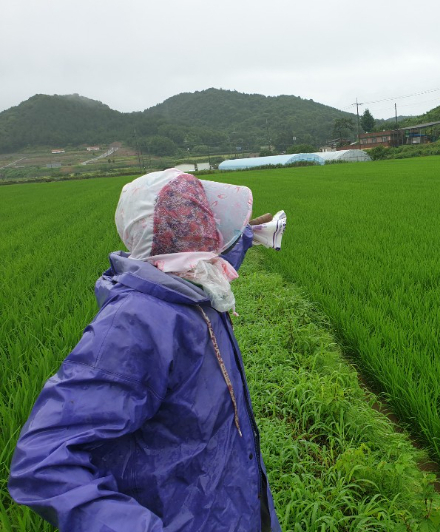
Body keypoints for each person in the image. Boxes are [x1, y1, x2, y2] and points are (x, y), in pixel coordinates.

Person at [9, 168, 283, 532]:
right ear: (171, 236)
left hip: (237, 498)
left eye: (203, 214)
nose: (208, 227)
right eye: (191, 218)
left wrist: (249, 234)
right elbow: (43, 461)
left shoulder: (194, 285)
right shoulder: (137, 321)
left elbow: (216, 260)